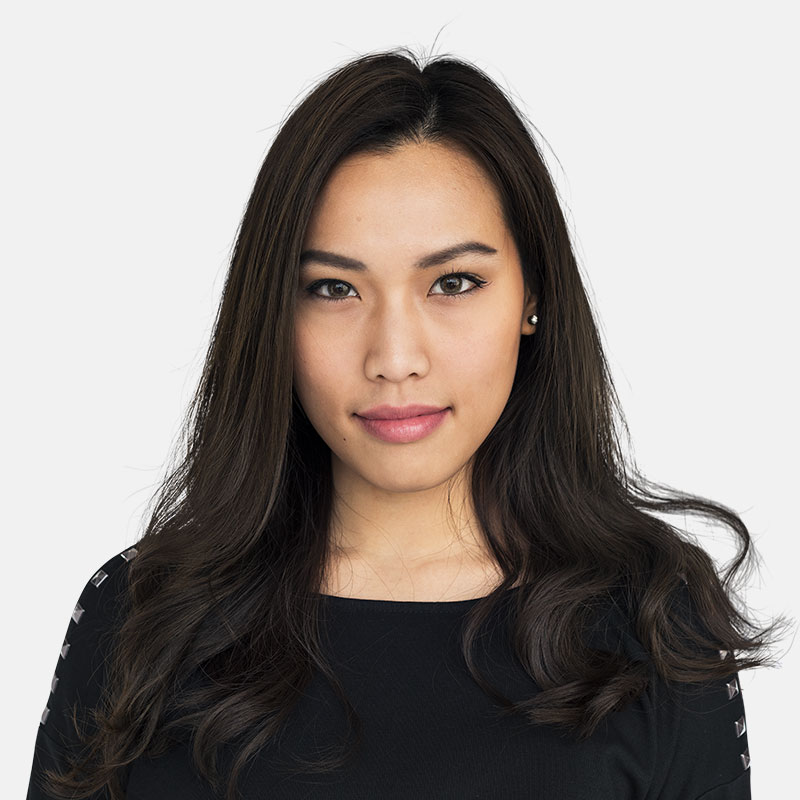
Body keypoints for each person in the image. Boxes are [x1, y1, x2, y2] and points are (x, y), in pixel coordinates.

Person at [27, 47, 784, 800]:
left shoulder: (656, 624)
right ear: (274, 314)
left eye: (453, 283)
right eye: (333, 288)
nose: (394, 359)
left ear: (533, 297)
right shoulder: (141, 618)